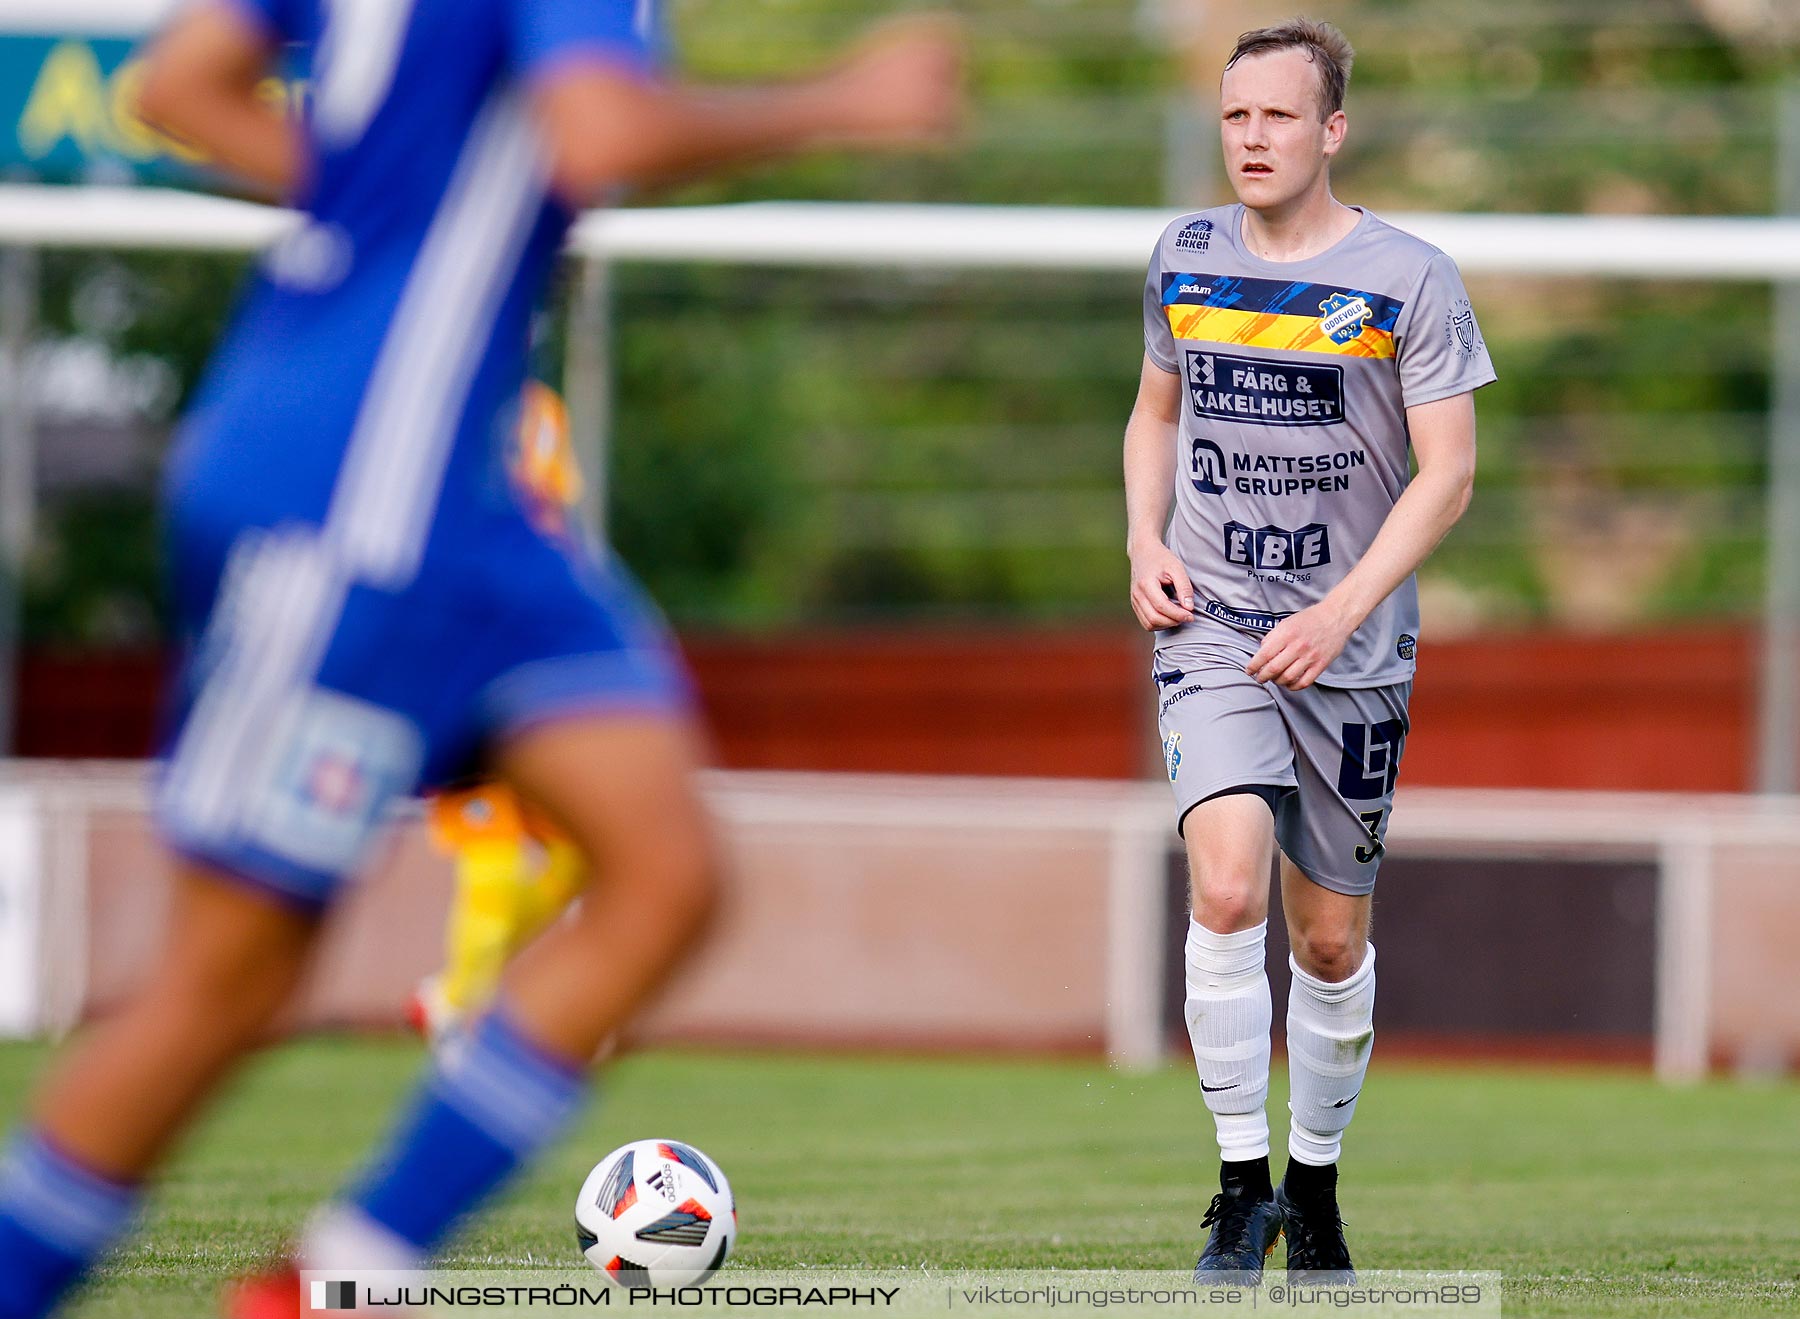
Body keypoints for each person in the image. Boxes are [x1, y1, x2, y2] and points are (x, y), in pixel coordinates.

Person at [0, 0, 962, 1314]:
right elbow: (598, 131)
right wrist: (841, 102)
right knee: (229, 978)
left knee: (665, 871)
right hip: (350, 496)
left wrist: (381, 211)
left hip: (465, 505)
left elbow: (179, 84)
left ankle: (339, 1275)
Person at [1123, 17, 1492, 1282]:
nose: (1253, 140)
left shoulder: (1410, 277)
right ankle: (1237, 1188)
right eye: (1236, 118)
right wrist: (1139, 539)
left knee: (1328, 939)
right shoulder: (1184, 257)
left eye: (1279, 117)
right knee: (1224, 888)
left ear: (1332, 129)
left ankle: (1314, 1187)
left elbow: (1448, 475)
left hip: (1353, 648)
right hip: (1213, 624)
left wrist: (1341, 609)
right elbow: (1153, 406)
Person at [410, 384, 589, 1044]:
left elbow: (551, 526)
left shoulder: (540, 409)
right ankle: (466, 1022)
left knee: (579, 856)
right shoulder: (423, 403)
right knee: (491, 864)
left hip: (530, 676)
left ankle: (457, 993)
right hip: (456, 674)